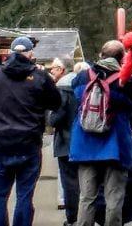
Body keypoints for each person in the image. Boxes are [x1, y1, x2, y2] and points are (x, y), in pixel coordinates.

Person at [0, 37, 62, 226]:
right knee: (24, 196)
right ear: (31, 53)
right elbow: (55, 102)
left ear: (10, 52)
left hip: (0, 142)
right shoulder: (40, 77)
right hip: (28, 142)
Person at [69, 41, 132, 226]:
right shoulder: (127, 81)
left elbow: (76, 98)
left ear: (101, 55)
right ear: (121, 58)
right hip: (115, 147)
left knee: (87, 198)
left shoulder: (83, 76)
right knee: (114, 198)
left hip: (85, 145)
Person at [50, 60, 90, 225]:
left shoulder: (62, 90)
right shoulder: (89, 89)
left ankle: (73, 218)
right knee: (89, 183)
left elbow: (55, 119)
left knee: (70, 183)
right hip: (87, 142)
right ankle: (88, 217)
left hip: (66, 143)